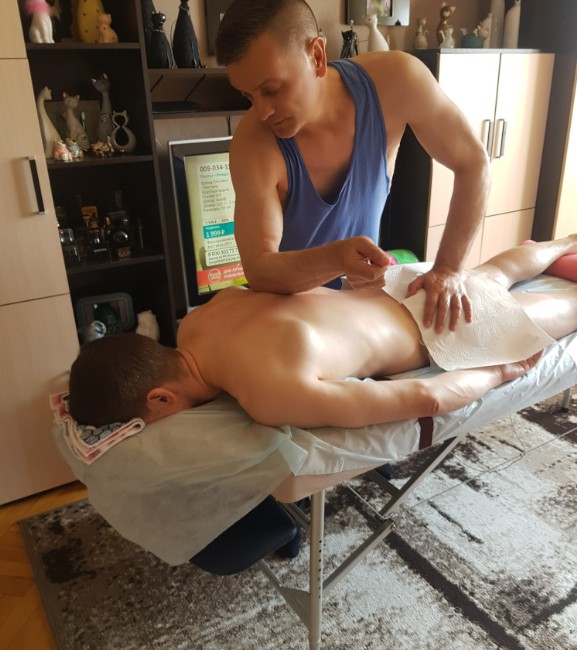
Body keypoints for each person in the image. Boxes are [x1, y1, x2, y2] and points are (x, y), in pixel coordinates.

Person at [68, 237, 577, 429]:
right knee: (491, 272)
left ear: (160, 398)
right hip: (403, 283)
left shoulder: (267, 395)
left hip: (445, 329)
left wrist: (500, 370)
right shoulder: (200, 317)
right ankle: (565, 241)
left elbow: (426, 397)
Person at [214, 0, 491, 332]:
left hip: (363, 312)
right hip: (293, 323)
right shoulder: (252, 143)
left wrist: (448, 269)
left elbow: (473, 162)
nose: (262, 112)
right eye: (248, 96)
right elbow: (259, 269)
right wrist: (335, 258)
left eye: (271, 90)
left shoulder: (397, 81)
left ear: (317, 56)